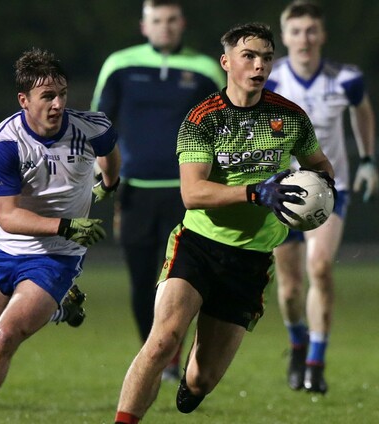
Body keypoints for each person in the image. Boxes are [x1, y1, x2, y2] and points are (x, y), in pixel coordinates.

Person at [113, 22, 335, 423]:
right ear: (226, 62)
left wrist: (318, 192)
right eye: (248, 56)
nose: (258, 65)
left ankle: (193, 380)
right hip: (198, 245)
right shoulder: (202, 120)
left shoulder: (289, 117)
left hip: (251, 259)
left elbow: (319, 164)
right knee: (162, 341)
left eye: (266, 57)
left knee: (201, 380)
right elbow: (193, 193)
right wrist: (255, 192)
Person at [0, 47, 120, 424]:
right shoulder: (5, 144)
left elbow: (110, 152)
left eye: (62, 94)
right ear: (24, 100)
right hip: (4, 247)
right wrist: (66, 224)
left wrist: (109, 183)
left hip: (57, 255)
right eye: (47, 96)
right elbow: (9, 217)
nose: (58, 103)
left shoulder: (91, 128)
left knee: (3, 340)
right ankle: (61, 308)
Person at [91, 0, 225, 381]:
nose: (165, 26)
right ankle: (154, 351)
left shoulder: (204, 70)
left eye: (171, 20)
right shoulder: (120, 65)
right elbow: (99, 124)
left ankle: (172, 354)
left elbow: (225, 125)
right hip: (134, 191)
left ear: (182, 24)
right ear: (144, 26)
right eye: (157, 20)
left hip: (187, 193)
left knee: (183, 278)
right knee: (141, 279)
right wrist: (101, 170)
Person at [264, 0, 379, 394]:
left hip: (331, 187)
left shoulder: (345, 78)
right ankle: (297, 344)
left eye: (311, 31)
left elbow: (362, 111)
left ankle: (315, 362)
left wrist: (368, 160)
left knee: (319, 267)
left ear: (322, 35)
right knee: (290, 287)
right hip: (283, 190)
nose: (305, 39)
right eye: (297, 31)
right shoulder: (271, 81)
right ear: (285, 37)